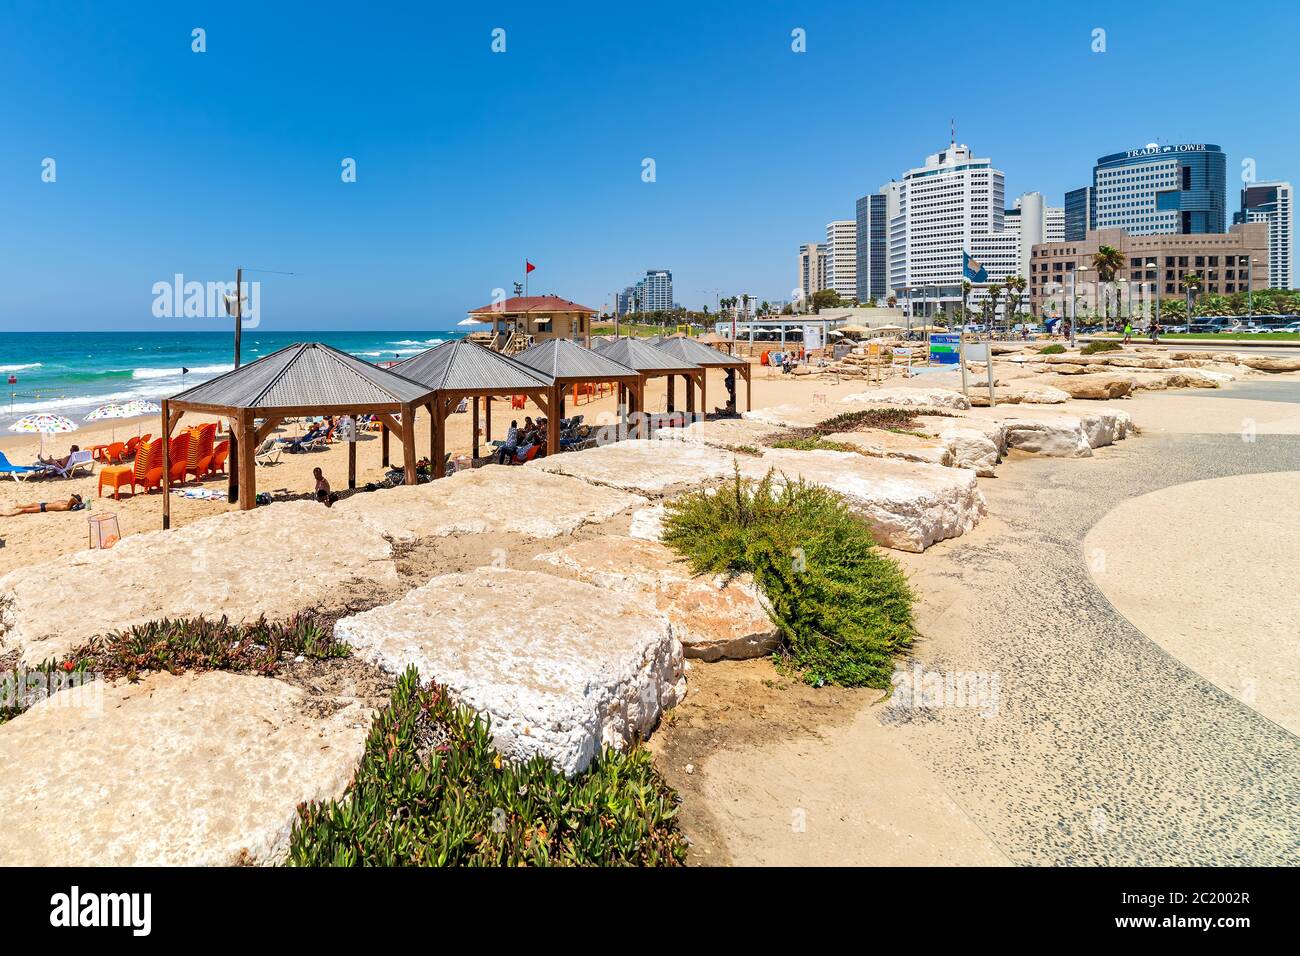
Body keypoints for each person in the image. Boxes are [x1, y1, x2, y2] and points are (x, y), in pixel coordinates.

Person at [1, 494, 83, 518]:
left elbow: (72, 499)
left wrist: (78, 502)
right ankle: (19, 505)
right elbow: (72, 498)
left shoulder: (67, 507)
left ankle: (7, 515)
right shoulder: (66, 502)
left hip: (43, 508)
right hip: (45, 504)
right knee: (31, 504)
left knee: (24, 511)